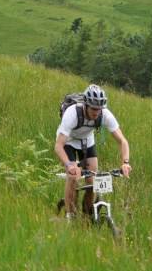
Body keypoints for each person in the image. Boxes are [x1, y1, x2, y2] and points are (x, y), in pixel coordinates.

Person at [54, 84, 132, 219]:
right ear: (86, 105)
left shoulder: (105, 114)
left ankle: (87, 217)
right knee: (73, 177)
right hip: (68, 142)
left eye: (99, 109)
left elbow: (123, 141)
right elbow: (58, 146)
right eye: (94, 109)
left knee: (92, 181)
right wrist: (70, 166)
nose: (97, 112)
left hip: (87, 142)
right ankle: (70, 217)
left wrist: (125, 162)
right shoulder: (72, 113)